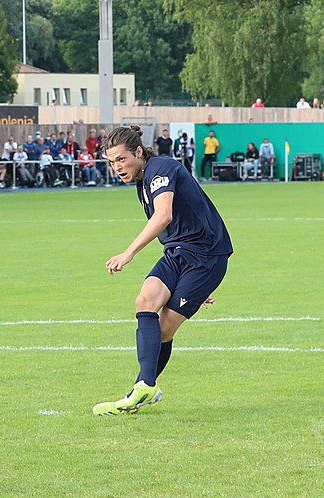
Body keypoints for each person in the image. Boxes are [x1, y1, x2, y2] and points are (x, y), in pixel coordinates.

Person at [93, 125, 233, 416]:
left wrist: (128, 252)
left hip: (206, 256)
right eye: (111, 162)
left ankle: (143, 387)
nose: (117, 167)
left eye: (121, 159)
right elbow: (174, 227)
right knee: (145, 301)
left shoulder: (160, 168)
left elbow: (164, 216)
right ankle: (145, 388)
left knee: (164, 326)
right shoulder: (142, 182)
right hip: (178, 253)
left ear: (139, 153)